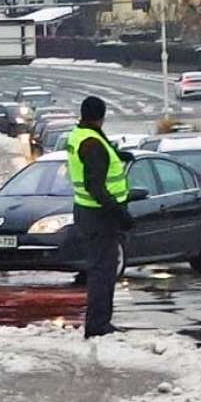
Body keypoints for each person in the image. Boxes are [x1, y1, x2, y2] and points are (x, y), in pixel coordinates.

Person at [65, 96, 133, 338]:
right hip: (100, 216)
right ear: (101, 117)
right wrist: (119, 212)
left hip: (86, 212)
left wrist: (117, 156)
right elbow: (96, 185)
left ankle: (98, 322)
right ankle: (98, 324)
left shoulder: (79, 135)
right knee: (103, 271)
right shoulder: (92, 142)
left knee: (99, 268)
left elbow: (93, 162)